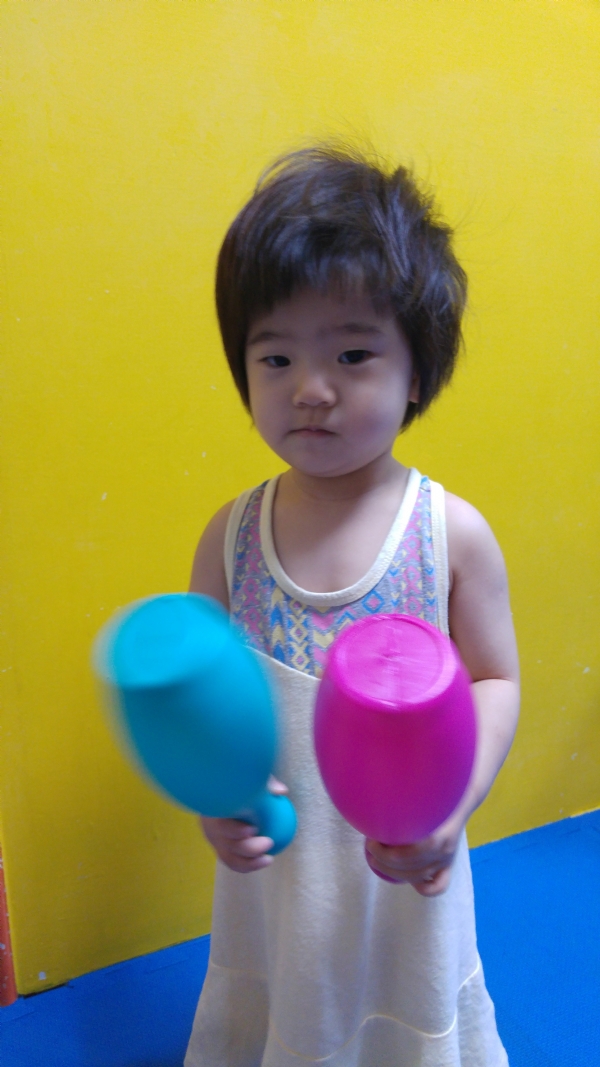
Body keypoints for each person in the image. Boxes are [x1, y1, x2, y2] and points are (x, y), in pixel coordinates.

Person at [184, 145, 519, 1067]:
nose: (310, 387)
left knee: (400, 1011)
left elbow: (495, 680)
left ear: (417, 370)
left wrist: (455, 801)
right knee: (292, 1014)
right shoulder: (229, 538)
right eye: (276, 355)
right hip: (280, 893)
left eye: (353, 353)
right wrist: (215, 796)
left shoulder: (449, 536)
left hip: (403, 879)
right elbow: (208, 703)